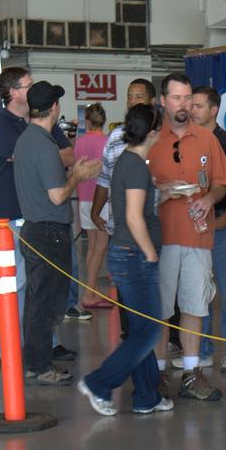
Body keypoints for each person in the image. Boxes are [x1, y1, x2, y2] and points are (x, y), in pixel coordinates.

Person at [77, 103, 176, 416]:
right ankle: (99, 382)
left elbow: (134, 204)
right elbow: (133, 217)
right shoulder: (135, 166)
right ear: (153, 131)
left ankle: (146, 395)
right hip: (134, 256)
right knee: (148, 331)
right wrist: (150, 253)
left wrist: (162, 193)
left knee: (141, 330)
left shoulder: (131, 162)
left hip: (129, 255)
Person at [147, 72, 226, 402]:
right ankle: (157, 374)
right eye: (176, 98)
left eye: (187, 98)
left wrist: (209, 199)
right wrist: (161, 193)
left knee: (195, 306)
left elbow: (221, 183)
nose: (183, 105)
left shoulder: (207, 139)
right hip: (161, 239)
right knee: (161, 310)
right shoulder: (152, 139)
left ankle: (191, 373)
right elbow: (134, 190)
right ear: (163, 101)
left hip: (198, 237)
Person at [12, 81, 100, 386]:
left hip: (34, 229)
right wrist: (78, 175)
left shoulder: (26, 140)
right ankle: (39, 366)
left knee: (37, 300)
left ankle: (35, 359)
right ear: (54, 108)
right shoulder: (45, 146)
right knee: (46, 303)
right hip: (49, 232)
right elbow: (58, 196)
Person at [0, 66, 76, 361]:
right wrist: (49, 157)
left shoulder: (42, 122)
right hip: (12, 214)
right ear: (13, 92)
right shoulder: (0, 123)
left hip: (41, 214)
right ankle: (11, 345)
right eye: (28, 85)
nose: (32, 88)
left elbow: (69, 153)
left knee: (44, 286)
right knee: (19, 284)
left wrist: (48, 157)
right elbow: (23, 156)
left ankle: (44, 342)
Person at [190, 85, 226, 373]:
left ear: (214, 110)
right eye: (191, 105)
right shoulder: (188, 141)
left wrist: (225, 220)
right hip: (195, 225)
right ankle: (201, 350)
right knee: (197, 290)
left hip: (222, 223)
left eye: (199, 105)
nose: (192, 110)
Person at [66, 103, 108, 321]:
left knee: (92, 246)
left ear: (88, 122)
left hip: (84, 197)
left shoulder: (80, 142)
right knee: (101, 247)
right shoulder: (108, 141)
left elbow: (74, 167)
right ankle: (89, 292)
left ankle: (92, 290)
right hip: (102, 199)